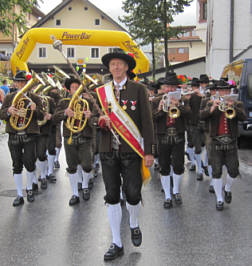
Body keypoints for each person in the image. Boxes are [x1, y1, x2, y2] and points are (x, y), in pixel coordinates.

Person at [97, 51, 154, 261]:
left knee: (132, 194)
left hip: (132, 151)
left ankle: (134, 223)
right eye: (113, 65)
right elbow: (95, 118)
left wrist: (149, 151)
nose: (117, 68)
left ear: (127, 68)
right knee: (112, 196)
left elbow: (147, 122)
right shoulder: (101, 92)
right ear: (109, 68)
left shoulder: (138, 89)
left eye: (120, 64)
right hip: (108, 151)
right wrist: (100, 120)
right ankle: (117, 242)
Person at [0, 71, 44, 207]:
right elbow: (1, 114)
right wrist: (8, 111)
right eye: (18, 82)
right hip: (14, 135)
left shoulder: (35, 98)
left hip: (29, 135)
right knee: (16, 165)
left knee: (30, 163)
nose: (20, 84)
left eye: (23, 82)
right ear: (15, 83)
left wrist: (35, 110)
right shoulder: (10, 97)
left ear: (27, 83)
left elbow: (42, 116)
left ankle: (29, 189)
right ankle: (19, 194)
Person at [200, 90, 246, 211]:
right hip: (216, 141)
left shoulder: (238, 104)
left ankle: (227, 189)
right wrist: (213, 107)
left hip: (231, 142)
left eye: (226, 90)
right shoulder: (211, 103)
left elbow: (243, 118)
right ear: (219, 93)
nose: (224, 93)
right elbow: (202, 116)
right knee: (216, 170)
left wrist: (233, 106)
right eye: (222, 91)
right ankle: (219, 199)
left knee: (233, 170)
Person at [54, 77, 96, 206]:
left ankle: (84, 186)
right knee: (71, 166)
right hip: (70, 136)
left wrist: (90, 116)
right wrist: (65, 113)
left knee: (87, 164)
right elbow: (55, 118)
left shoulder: (89, 102)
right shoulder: (64, 102)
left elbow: (96, 121)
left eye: (78, 87)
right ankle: (75, 194)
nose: (76, 90)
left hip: (85, 136)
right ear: (69, 89)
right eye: (73, 88)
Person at [153, 72, 190, 209]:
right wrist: (161, 108)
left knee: (179, 165)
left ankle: (176, 191)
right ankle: (168, 196)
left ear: (176, 88)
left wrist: (178, 104)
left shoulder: (183, 99)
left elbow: (189, 115)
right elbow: (153, 118)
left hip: (178, 136)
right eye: (167, 86)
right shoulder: (157, 100)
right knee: (164, 166)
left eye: (172, 87)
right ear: (163, 87)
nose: (169, 89)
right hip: (163, 136)